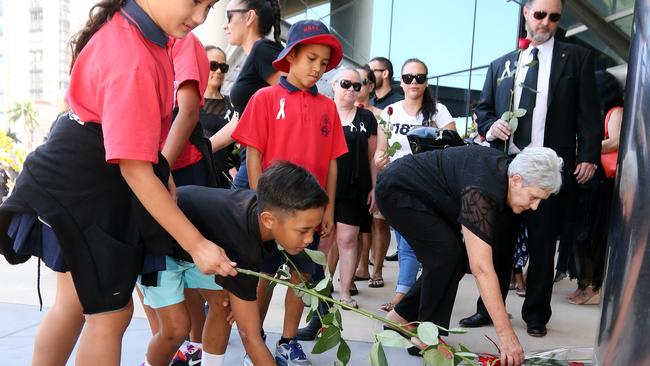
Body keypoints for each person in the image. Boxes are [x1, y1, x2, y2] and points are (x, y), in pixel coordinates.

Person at [0, 1, 236, 366]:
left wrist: (164, 170)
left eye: (210, 5)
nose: (201, 16)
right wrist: (198, 245)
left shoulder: (147, 37)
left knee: (77, 304)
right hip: (83, 185)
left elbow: (142, 136)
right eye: (195, 1)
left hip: (81, 174)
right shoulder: (133, 57)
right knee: (109, 313)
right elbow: (135, 170)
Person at [465, 0, 602, 337]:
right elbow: (482, 110)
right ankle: (487, 308)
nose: (546, 23)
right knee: (498, 243)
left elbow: (588, 114)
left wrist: (588, 155)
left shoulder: (577, 59)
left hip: (547, 170)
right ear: (526, 13)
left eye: (554, 17)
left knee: (543, 245)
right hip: (505, 168)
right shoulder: (502, 64)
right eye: (540, 15)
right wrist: (491, 125)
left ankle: (537, 314)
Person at [377, 145, 564, 366]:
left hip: (429, 197)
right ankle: (425, 336)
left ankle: (401, 317)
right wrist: (506, 336)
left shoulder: (502, 174)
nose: (534, 207)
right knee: (445, 255)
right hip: (398, 189)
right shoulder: (481, 191)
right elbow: (482, 269)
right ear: (516, 180)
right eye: (533, 197)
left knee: (453, 257)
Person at [231, 19, 346, 366]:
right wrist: (259, 203)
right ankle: (258, 338)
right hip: (270, 212)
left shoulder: (328, 107)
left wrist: (329, 211)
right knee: (263, 275)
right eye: (311, 58)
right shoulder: (265, 98)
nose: (317, 68)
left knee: (303, 277)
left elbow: (331, 164)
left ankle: (289, 341)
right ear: (291, 55)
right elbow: (253, 155)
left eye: (323, 63)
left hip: (308, 215)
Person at [175, 162, 329, 366]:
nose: (310, 239)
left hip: (193, 240)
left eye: (313, 230)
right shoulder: (245, 240)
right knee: (173, 328)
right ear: (269, 220)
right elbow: (249, 335)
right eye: (303, 231)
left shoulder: (257, 219)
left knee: (223, 304)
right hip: (153, 240)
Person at [373, 58, 456, 312]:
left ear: (426, 81)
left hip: (427, 187)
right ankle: (408, 293)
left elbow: (454, 147)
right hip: (397, 184)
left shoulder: (438, 111)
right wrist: (380, 160)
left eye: (419, 78)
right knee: (406, 243)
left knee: (411, 244)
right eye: (408, 78)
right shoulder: (391, 112)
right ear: (401, 80)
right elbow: (379, 152)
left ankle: (403, 296)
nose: (414, 83)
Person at [566, 70, 624, 305]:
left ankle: (593, 285)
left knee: (594, 237)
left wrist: (588, 147)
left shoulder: (615, 112)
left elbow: (617, 140)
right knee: (580, 236)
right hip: (587, 184)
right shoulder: (594, 115)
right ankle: (584, 283)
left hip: (602, 185)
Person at [224, 0, 283, 189]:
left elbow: (294, 97)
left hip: (264, 163)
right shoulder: (256, 54)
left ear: (249, 17)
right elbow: (239, 122)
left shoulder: (263, 50)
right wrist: (205, 148)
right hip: (251, 161)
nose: (225, 25)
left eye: (229, 16)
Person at [201, 45, 238, 188]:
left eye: (223, 67)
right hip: (199, 176)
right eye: (213, 65)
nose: (218, 71)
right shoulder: (187, 104)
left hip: (228, 181)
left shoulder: (233, 103)